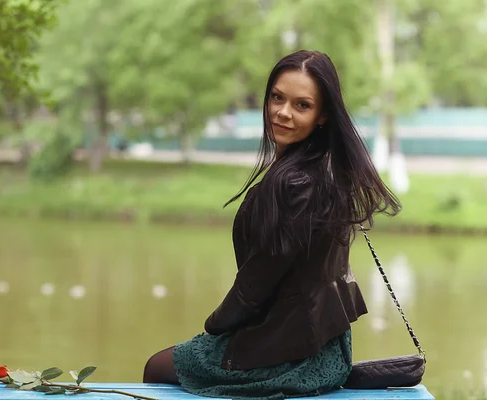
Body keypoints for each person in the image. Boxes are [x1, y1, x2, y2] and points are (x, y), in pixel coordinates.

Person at [142, 50, 401, 399]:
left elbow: (251, 290)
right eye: (277, 98)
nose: (283, 112)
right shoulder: (325, 172)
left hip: (288, 357)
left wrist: (213, 328)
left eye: (301, 105)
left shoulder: (294, 184)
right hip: (327, 350)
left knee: (155, 368)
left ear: (322, 115)